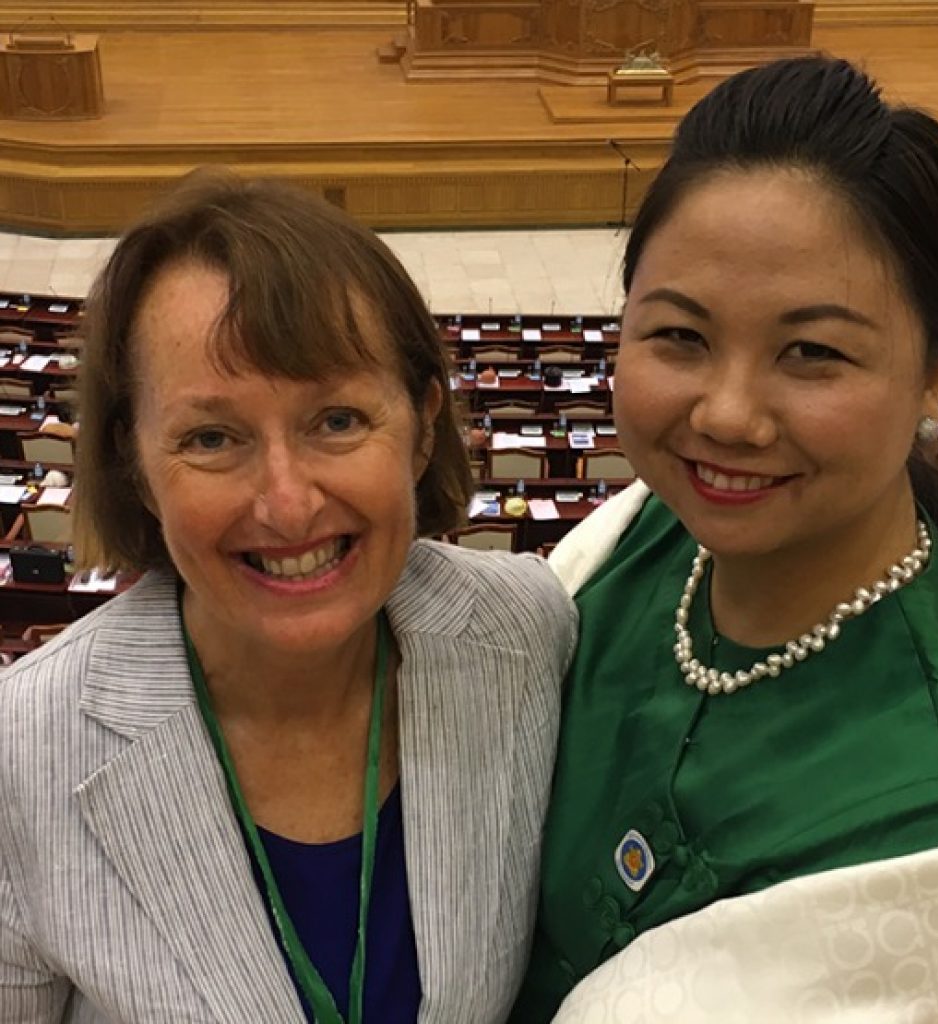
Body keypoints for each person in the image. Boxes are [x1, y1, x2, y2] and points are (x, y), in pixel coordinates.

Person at [512, 57, 938, 1023]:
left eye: (813, 353)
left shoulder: (922, 816)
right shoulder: (648, 532)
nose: (729, 416)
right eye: (680, 336)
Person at [0, 171, 576, 1024]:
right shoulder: (20, 754)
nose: (287, 503)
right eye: (212, 437)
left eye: (336, 420)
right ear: (138, 467)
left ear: (422, 425)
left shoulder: (531, 632)